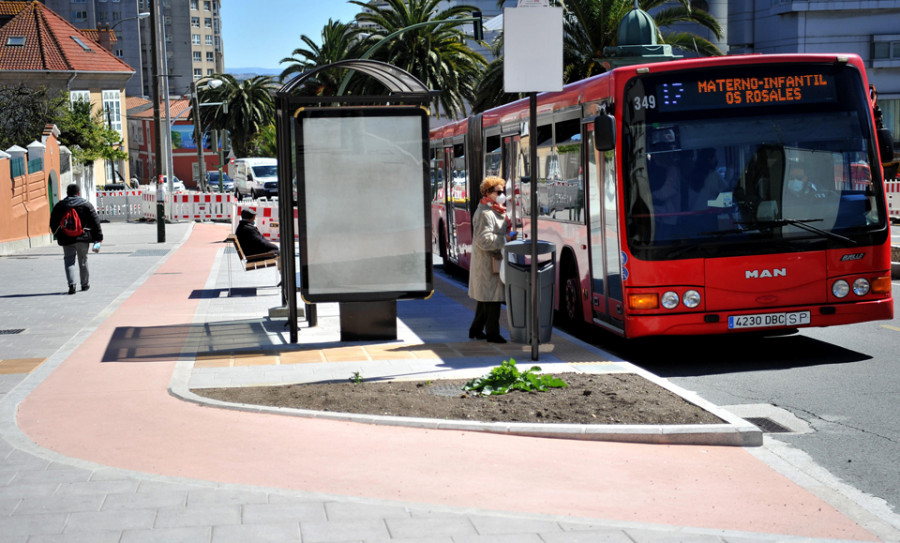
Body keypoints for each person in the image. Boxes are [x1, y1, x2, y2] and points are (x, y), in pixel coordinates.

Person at [468, 176, 516, 343]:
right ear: (488, 193)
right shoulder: (484, 213)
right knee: (492, 299)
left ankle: (475, 329)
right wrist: (505, 240)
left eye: (503, 190)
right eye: (499, 191)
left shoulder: (495, 210)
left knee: (486, 298)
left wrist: (508, 235)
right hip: (488, 262)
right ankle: (492, 334)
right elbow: (484, 239)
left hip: (493, 261)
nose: (502, 194)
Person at [49, 183, 103, 295]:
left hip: (66, 238)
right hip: (83, 238)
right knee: (83, 260)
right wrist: (98, 238)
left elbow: (53, 222)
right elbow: (95, 221)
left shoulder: (60, 205)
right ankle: (85, 284)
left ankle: (71, 285)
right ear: (79, 193)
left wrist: (58, 234)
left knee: (69, 261)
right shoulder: (86, 205)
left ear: (67, 193)